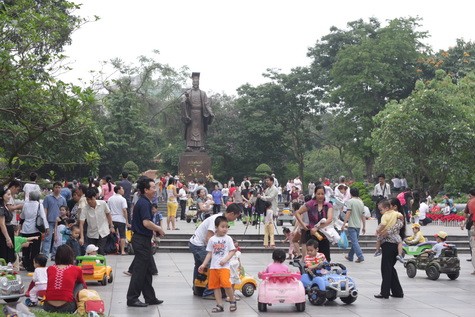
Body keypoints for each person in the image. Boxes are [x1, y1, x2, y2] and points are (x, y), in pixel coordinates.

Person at [126, 176, 165, 307]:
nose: (155, 190)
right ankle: (132, 298)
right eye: (153, 187)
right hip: (141, 240)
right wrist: (158, 228)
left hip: (143, 239)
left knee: (147, 270)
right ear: (146, 190)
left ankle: (150, 297)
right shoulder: (144, 203)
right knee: (139, 271)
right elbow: (146, 222)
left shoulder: (145, 202)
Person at [188, 203, 241, 299]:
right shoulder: (216, 220)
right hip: (199, 245)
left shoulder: (221, 219)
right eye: (236, 216)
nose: (235, 219)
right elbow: (209, 238)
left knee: (199, 266)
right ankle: (209, 292)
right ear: (232, 214)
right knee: (212, 267)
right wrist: (217, 253)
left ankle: (197, 289)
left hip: (195, 242)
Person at [198, 216, 237, 313]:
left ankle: (232, 301)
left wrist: (225, 259)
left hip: (224, 267)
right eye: (222, 227)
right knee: (215, 286)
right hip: (213, 267)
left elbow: (232, 251)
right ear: (216, 227)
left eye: (226, 227)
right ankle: (219, 305)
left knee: (226, 284)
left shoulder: (228, 239)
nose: (225, 229)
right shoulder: (212, 240)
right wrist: (203, 265)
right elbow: (209, 253)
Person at [374, 200, 405, 299]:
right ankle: (397, 292)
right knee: (390, 269)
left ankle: (385, 292)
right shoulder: (395, 216)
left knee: (386, 269)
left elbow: (397, 226)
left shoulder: (396, 217)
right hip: (391, 244)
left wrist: (385, 232)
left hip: (390, 244)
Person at [295, 184, 333, 261]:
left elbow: (329, 219)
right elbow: (297, 213)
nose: (320, 196)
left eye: (322, 194)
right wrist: (303, 225)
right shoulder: (310, 204)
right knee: (312, 256)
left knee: (325, 257)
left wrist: (317, 227)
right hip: (312, 234)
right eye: (318, 194)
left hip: (323, 234)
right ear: (315, 194)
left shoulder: (328, 205)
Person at [44, 244, 87, 313]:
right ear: (71, 256)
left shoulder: (50, 268)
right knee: (80, 284)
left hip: (48, 306)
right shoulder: (76, 269)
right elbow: (84, 285)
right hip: (67, 306)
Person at [181, 72, 214, 152]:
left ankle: (201, 146)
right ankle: (189, 146)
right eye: (194, 82)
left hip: (200, 114)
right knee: (190, 129)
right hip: (191, 113)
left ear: (199, 83)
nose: (195, 83)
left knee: (200, 129)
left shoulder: (202, 93)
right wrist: (186, 99)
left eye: (197, 82)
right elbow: (183, 101)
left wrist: (211, 112)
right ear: (192, 83)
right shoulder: (188, 92)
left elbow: (206, 104)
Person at [79, 188, 115, 255]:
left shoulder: (103, 204)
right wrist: (82, 237)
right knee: (92, 252)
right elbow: (81, 224)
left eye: (91, 199)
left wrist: (111, 226)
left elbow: (108, 214)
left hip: (103, 231)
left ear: (95, 197)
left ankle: (101, 264)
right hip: (92, 234)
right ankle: (94, 265)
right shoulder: (85, 209)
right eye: (87, 199)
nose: (89, 201)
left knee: (100, 250)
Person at [19, 190, 48, 272]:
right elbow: (43, 217)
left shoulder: (25, 204)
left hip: (25, 229)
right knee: (35, 249)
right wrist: (46, 228)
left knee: (26, 248)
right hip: (35, 230)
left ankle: (26, 264)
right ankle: (33, 265)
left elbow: (22, 216)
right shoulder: (39, 205)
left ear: (30, 197)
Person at [42, 182, 67, 260]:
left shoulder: (63, 199)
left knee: (58, 239)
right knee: (47, 238)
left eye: (59, 187)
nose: (57, 189)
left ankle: (54, 255)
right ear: (53, 188)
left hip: (60, 223)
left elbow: (65, 210)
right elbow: (45, 210)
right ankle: (45, 256)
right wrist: (45, 221)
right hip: (49, 221)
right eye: (56, 187)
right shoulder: (47, 198)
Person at [342, 187, 366, 263]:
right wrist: (364, 226)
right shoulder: (361, 202)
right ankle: (350, 256)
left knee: (354, 242)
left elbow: (348, 213)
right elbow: (363, 215)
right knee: (354, 241)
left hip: (351, 225)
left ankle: (360, 256)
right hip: (358, 225)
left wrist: (344, 223)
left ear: (351, 193)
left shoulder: (350, 201)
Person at [108, 185, 129, 255]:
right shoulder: (123, 199)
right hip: (121, 219)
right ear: (119, 190)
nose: (123, 190)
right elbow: (124, 210)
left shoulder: (110, 199)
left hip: (112, 219)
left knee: (112, 235)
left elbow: (108, 210)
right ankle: (122, 251)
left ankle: (112, 249)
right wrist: (127, 221)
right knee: (122, 235)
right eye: (122, 188)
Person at [0, 187, 15, 265]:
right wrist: (7, 238)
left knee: (9, 255)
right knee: (5, 255)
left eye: (10, 195)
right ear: (2, 196)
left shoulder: (5, 206)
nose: (10, 196)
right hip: (4, 234)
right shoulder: (1, 207)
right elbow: (2, 224)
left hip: (9, 231)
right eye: (8, 194)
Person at [461, 188, 475, 264]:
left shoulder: (470, 202)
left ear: (470, 195)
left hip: (471, 225)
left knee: (472, 243)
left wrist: (463, 223)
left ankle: (473, 257)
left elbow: (466, 215)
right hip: (472, 224)